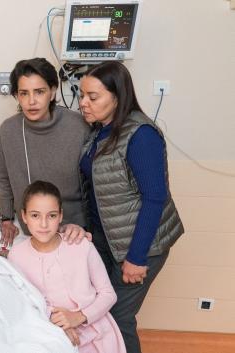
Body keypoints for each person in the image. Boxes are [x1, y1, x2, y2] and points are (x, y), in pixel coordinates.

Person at [78, 61, 184, 353]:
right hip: (108, 242)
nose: (83, 103)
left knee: (118, 318)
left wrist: (137, 258)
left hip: (140, 246)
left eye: (93, 97)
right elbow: (97, 189)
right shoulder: (99, 132)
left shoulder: (141, 135)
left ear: (118, 96)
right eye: (81, 95)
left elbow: (154, 198)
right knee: (100, 312)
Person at [8, 181, 126, 353]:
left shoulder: (81, 245)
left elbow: (108, 294)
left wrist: (79, 317)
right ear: (24, 216)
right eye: (35, 215)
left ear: (61, 216)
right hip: (51, 332)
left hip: (96, 330)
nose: (43, 224)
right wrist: (58, 322)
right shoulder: (16, 255)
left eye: (52, 215)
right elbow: (24, 301)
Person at [0, 58, 90, 248]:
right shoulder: (8, 131)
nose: (31, 101)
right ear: (16, 96)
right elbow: (5, 179)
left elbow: (93, 184)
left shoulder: (79, 126)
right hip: (34, 231)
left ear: (53, 91)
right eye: (24, 93)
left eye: (39, 92)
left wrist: (86, 227)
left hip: (75, 230)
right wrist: (6, 218)